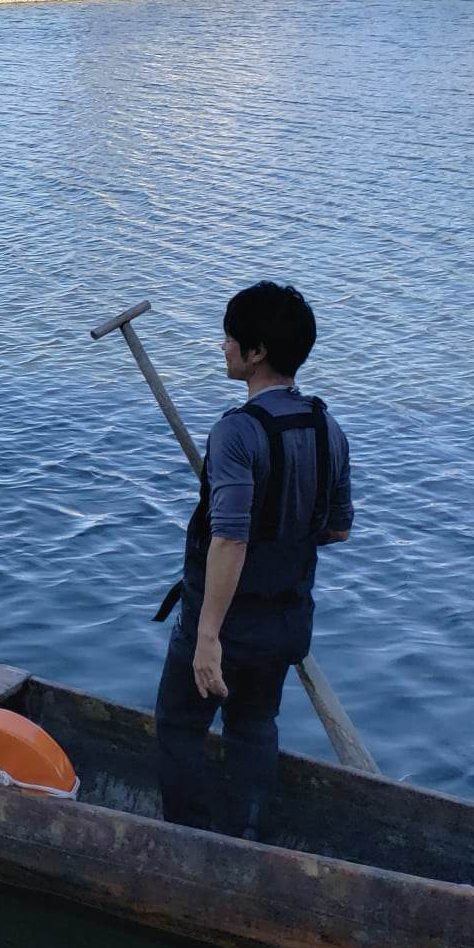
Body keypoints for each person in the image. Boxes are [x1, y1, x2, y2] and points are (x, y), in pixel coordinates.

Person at [154, 282, 353, 840]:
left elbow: (230, 541)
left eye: (230, 338)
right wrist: (284, 522)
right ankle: (245, 842)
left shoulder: (236, 432)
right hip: (287, 621)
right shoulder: (327, 428)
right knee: (253, 725)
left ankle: (186, 844)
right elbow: (337, 529)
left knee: (178, 728)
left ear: (257, 351)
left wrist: (208, 638)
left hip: (227, 623)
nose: (222, 346)